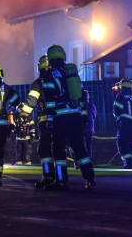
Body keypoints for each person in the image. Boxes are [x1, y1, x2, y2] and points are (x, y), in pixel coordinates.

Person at [42, 44, 96, 190]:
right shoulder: (71, 72)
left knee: (59, 151)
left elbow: (50, 100)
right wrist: (84, 117)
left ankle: (61, 181)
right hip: (75, 116)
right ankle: (90, 178)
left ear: (50, 58)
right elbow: (82, 97)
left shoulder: (49, 74)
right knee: (80, 150)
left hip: (60, 118)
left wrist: (50, 120)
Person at [19, 55, 56, 189]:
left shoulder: (38, 83)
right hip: (63, 119)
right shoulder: (60, 79)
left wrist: (22, 113)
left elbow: (30, 105)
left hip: (46, 120)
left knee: (44, 149)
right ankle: (61, 178)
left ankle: (48, 176)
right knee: (59, 149)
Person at [112, 78, 132, 169]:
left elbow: (116, 111)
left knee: (122, 143)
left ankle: (128, 162)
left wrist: (120, 117)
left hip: (125, 123)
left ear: (122, 85)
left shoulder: (120, 95)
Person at [80, 89, 97, 161]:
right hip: (89, 128)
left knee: (80, 145)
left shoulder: (78, 105)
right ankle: (88, 160)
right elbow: (94, 116)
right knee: (88, 145)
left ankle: (80, 161)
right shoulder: (91, 106)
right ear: (87, 97)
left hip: (80, 128)